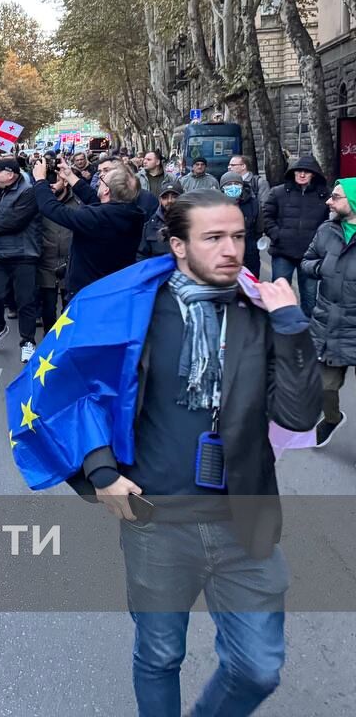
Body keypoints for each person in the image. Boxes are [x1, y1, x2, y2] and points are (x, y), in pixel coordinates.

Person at [74, 192, 321, 717]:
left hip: (243, 518)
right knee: (160, 655)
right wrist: (101, 472)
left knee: (258, 667)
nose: (232, 249)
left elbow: (299, 416)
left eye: (237, 236)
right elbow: (82, 392)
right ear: (178, 246)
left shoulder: (261, 313)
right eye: (214, 238)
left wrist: (293, 325)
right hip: (156, 519)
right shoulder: (134, 309)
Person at [31, 157, 147, 299]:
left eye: (102, 180)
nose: (98, 181)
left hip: (89, 294)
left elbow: (52, 209)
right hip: (112, 287)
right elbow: (95, 199)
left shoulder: (99, 218)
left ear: (106, 191)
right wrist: (69, 175)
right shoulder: (129, 212)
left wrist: (40, 180)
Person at [301, 178, 356, 447]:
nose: (328, 201)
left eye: (336, 197)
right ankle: (332, 418)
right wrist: (322, 267)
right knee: (324, 387)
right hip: (329, 322)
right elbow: (306, 262)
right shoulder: (326, 230)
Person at [0, 157, 41, 362]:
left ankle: (28, 341)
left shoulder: (28, 192)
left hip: (23, 255)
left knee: (25, 301)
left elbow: (15, 221)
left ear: (11, 174)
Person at [263, 155, 328, 317]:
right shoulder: (278, 192)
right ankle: (278, 328)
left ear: (314, 174)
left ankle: (308, 334)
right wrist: (277, 235)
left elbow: (331, 223)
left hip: (310, 255)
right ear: (293, 173)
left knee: (309, 297)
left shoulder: (325, 195)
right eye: (299, 171)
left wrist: (320, 244)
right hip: (282, 251)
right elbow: (266, 216)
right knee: (279, 293)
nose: (302, 174)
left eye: (307, 172)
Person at [35, 167, 78, 341]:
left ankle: (65, 341)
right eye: (48, 182)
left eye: (55, 181)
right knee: (47, 306)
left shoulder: (78, 203)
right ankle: (48, 340)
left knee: (69, 307)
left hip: (71, 263)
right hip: (46, 261)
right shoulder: (40, 202)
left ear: (65, 182)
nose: (51, 186)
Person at [221, 171, 261, 277]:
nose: (233, 187)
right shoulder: (217, 205)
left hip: (249, 250)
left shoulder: (253, 203)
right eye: (229, 184)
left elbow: (259, 226)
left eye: (236, 184)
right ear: (222, 188)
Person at [137, 183, 183, 260]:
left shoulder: (191, 222)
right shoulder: (150, 225)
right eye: (165, 197)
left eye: (174, 197)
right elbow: (141, 255)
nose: (170, 201)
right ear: (160, 200)